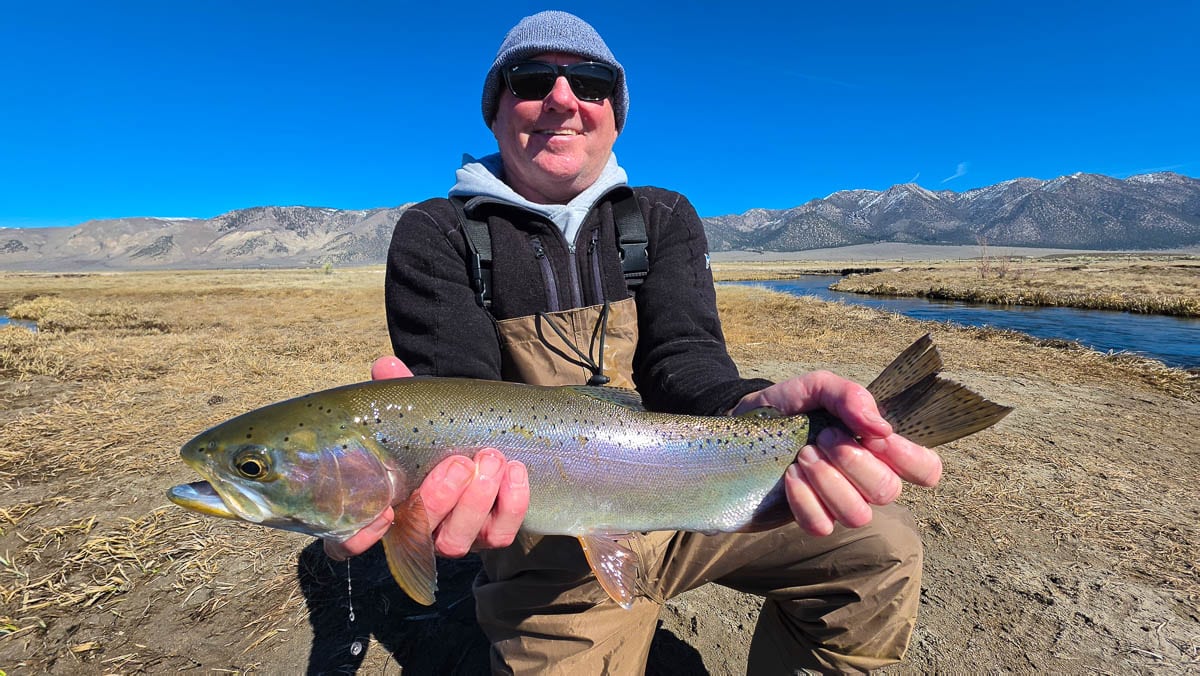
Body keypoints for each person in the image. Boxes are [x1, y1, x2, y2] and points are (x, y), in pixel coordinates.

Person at [326, 10, 942, 674]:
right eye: (531, 80)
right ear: (495, 111)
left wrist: (751, 410)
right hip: (547, 542)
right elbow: (458, 394)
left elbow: (685, 357)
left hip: (687, 494)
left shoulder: (662, 216)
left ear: (613, 116)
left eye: (590, 85)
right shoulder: (437, 234)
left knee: (879, 549)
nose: (562, 99)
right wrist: (414, 474)